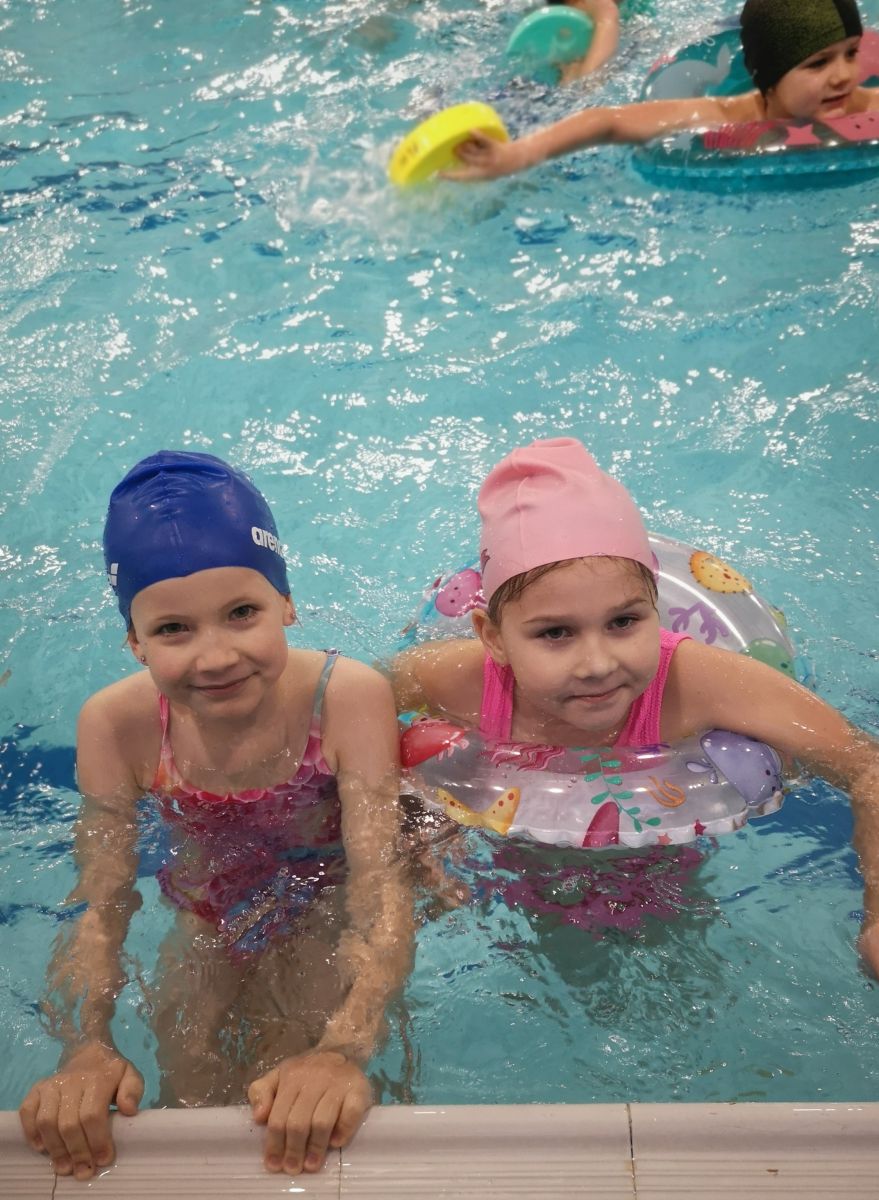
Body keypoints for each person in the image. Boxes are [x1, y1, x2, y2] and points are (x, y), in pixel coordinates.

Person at [19, 451, 412, 1182]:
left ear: (286, 603)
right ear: (134, 642)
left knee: (307, 1098)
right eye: (173, 629)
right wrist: (85, 1043)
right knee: (191, 1090)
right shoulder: (115, 724)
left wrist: (345, 1046)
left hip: (324, 900)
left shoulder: (345, 697)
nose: (216, 655)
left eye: (242, 613)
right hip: (206, 912)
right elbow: (98, 901)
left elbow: (380, 880)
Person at [390, 437, 879, 967]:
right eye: (555, 633)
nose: (598, 663)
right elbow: (355, 725)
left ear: (655, 609)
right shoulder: (451, 678)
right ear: (494, 638)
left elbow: (865, 766)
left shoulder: (698, 683)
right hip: (501, 849)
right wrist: (415, 820)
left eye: (624, 621)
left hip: (663, 856)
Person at [446, 0, 878, 178]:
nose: (843, 76)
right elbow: (607, 121)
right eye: (818, 63)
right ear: (768, 76)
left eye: (851, 53)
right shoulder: (726, 116)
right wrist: (516, 155)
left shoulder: (869, 105)